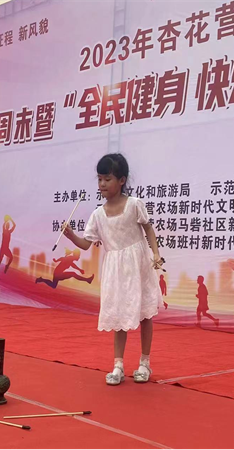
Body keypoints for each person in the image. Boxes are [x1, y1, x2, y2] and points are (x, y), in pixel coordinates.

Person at [62, 153, 164, 385]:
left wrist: (156, 254)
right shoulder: (97, 215)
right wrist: (71, 236)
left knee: (145, 313)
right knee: (119, 315)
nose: (102, 184)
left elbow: (148, 229)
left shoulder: (134, 205)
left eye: (107, 179)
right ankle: (118, 365)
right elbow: (86, 244)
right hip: (115, 270)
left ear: (122, 180)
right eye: (99, 179)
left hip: (138, 265)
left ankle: (144, 363)